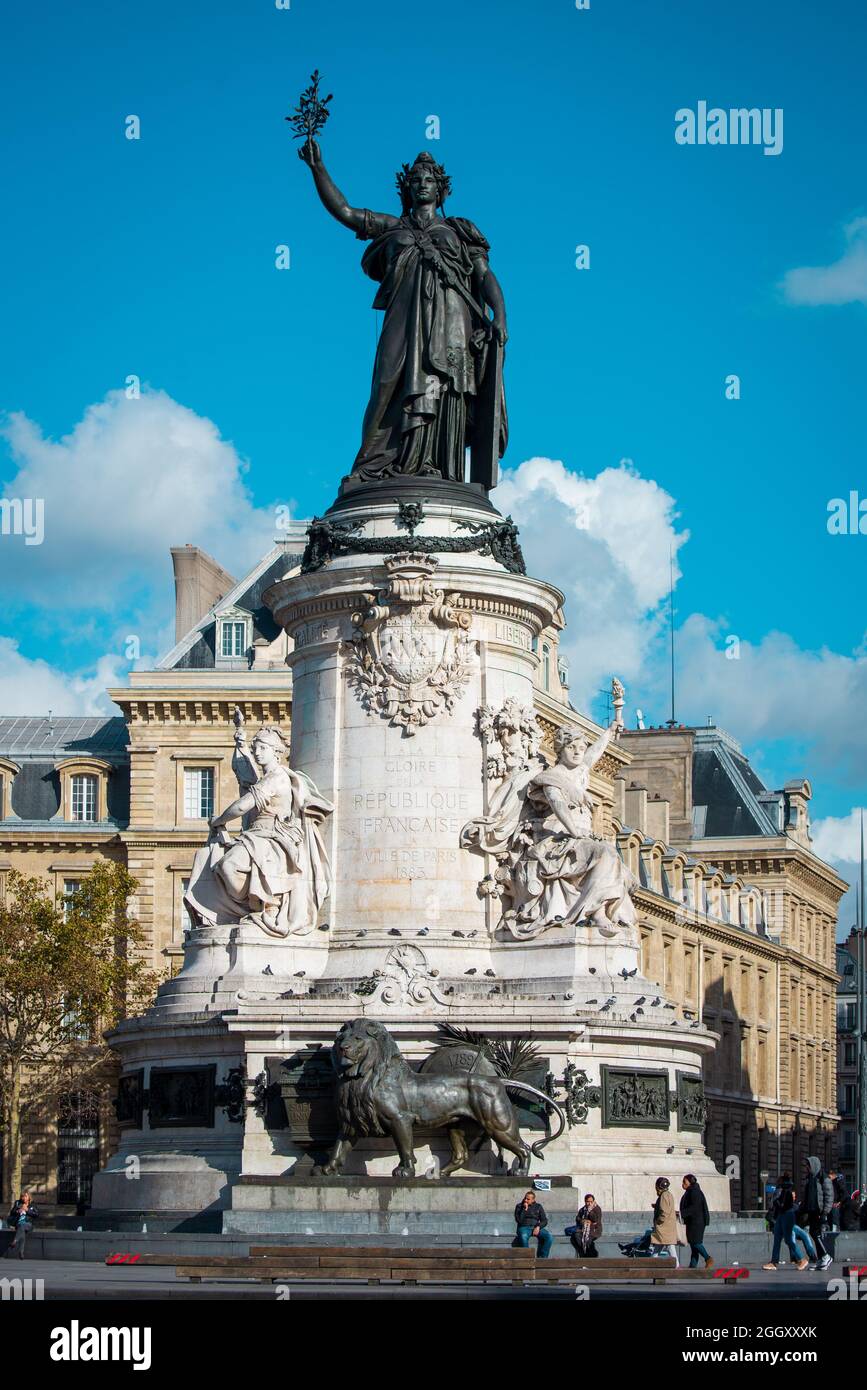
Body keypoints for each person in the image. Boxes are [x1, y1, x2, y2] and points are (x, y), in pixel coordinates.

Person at [762, 1174, 814, 1271]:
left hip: (785, 1217)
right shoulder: (782, 1191)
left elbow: (781, 1205)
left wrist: (776, 1202)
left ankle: (801, 1259)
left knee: (788, 1239)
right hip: (781, 1217)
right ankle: (774, 1262)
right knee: (778, 1239)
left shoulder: (784, 1191)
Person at [798, 1155, 833, 1271]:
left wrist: (825, 1212)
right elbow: (806, 1196)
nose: (806, 1168)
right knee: (813, 1233)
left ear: (814, 1165)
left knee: (816, 1233)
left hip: (819, 1210)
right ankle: (821, 1260)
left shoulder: (823, 1178)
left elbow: (829, 1196)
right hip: (811, 1210)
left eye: (808, 1165)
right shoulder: (809, 1178)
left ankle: (826, 1256)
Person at [680, 1174, 713, 1269]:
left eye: (684, 1182)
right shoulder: (690, 1191)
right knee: (693, 1245)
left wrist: (682, 1213)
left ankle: (708, 1258)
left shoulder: (694, 1192)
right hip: (692, 1221)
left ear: (690, 1182)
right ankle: (692, 1265)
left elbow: (694, 1208)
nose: (683, 1184)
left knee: (696, 1243)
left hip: (697, 1222)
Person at [514, 1190, 553, 1258]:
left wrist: (538, 1227)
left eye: (528, 1199)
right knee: (523, 1236)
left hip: (535, 1227)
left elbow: (544, 1220)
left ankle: (543, 1258)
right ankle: (528, 1258)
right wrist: (524, 1209)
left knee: (549, 1237)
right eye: (525, 1198)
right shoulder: (519, 1206)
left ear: (533, 1200)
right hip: (524, 1227)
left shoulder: (538, 1206)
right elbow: (519, 1220)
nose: (525, 1200)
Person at [650, 1176, 679, 1266]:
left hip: (664, 1227)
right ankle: (651, 1263)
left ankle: (676, 1266)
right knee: (659, 1246)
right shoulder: (668, 1194)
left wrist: (658, 1221)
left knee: (669, 1246)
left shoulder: (663, 1196)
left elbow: (664, 1212)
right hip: (668, 1227)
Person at [4, 1192, 38, 1259]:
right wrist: (18, 1211)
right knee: (22, 1231)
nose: (24, 1198)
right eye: (22, 1196)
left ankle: (15, 1241)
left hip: (28, 1224)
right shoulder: (18, 1203)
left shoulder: (32, 1205)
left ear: (29, 1197)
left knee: (22, 1226)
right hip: (19, 1223)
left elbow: (36, 1214)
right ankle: (21, 1253)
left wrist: (27, 1210)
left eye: (25, 1196)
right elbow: (12, 1212)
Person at [571, 1193, 603, 1258]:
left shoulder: (597, 1209)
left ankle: (591, 1256)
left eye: (591, 1201)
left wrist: (590, 1211)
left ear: (593, 1201)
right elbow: (578, 1218)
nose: (589, 1203)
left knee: (588, 1239)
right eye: (588, 1201)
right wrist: (583, 1221)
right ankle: (583, 1254)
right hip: (584, 1229)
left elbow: (596, 1220)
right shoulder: (583, 1209)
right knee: (575, 1236)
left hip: (594, 1230)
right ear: (585, 1202)